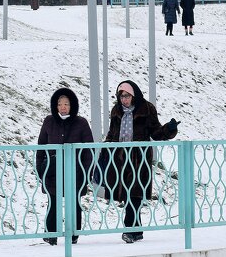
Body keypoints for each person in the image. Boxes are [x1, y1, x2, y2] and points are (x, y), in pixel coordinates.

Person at [102, 80, 179, 243]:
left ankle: (129, 229)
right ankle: (137, 230)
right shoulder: (116, 110)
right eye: (121, 96)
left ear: (134, 95)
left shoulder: (146, 109)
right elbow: (112, 132)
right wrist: (107, 146)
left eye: (127, 96)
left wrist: (170, 129)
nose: (124, 99)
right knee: (127, 194)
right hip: (120, 157)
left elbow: (156, 133)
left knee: (134, 193)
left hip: (139, 157)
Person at [35, 88, 94, 245]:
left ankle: (73, 234)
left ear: (72, 105)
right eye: (59, 104)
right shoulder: (49, 121)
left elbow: (89, 151)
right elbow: (41, 147)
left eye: (66, 104)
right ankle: (51, 234)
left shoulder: (81, 123)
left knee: (74, 203)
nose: (62, 107)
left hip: (76, 171)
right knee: (52, 203)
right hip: (52, 172)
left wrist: (88, 172)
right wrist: (41, 169)